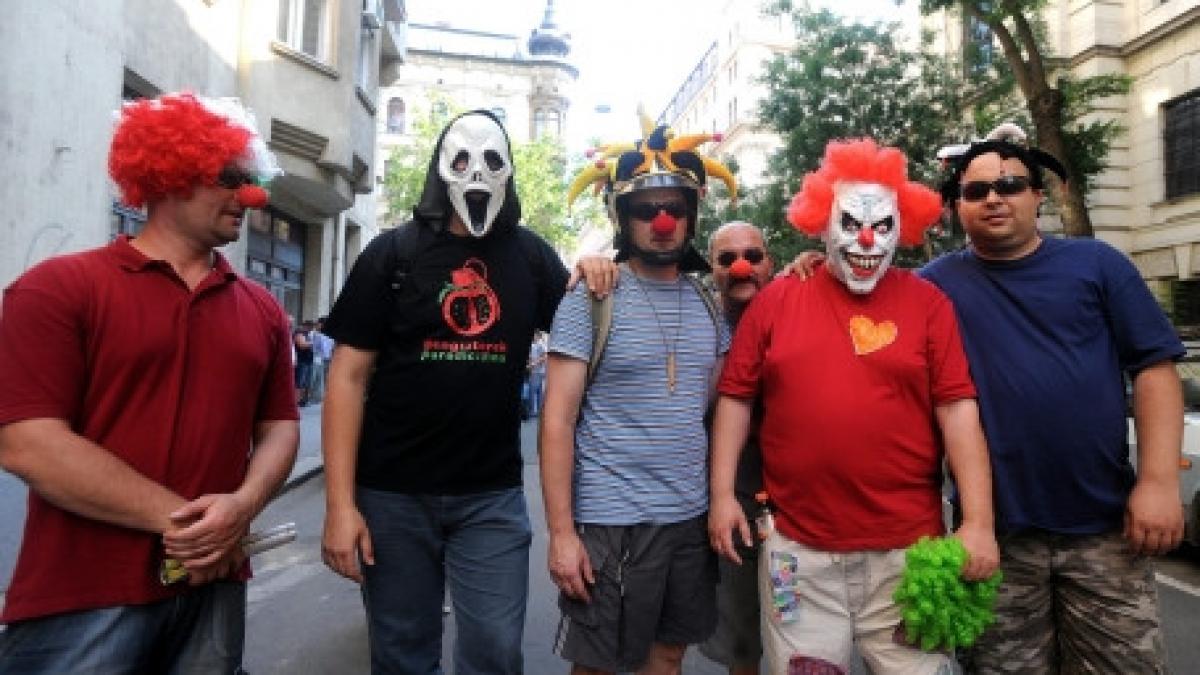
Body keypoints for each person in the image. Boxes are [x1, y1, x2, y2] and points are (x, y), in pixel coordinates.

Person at [0, 92, 299, 672]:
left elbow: (280, 425)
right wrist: (187, 523)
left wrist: (242, 505)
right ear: (170, 174)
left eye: (252, 178)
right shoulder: (57, 288)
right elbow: (27, 441)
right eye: (229, 178)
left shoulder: (263, 309)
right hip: (83, 596)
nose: (250, 196)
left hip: (212, 590)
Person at [319, 109, 615, 674]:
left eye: (490, 160)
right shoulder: (392, 254)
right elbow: (347, 379)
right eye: (460, 160)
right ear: (440, 169)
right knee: (403, 655)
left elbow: (590, 331)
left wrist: (600, 264)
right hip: (393, 496)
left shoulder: (530, 257)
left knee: (496, 652)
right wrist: (340, 506)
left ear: (507, 171)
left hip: (491, 498)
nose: (475, 173)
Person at [709, 138, 999, 674]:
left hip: (907, 555)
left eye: (883, 226)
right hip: (797, 558)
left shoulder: (929, 304)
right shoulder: (776, 300)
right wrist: (723, 495)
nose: (867, 239)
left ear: (901, 229)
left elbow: (958, 412)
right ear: (821, 222)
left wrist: (978, 522)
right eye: (851, 222)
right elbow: (736, 398)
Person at [922, 131, 1185, 673]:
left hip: (1104, 529)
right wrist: (815, 259)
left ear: (1037, 195)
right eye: (975, 192)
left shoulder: (1097, 264)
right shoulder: (933, 285)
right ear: (956, 206)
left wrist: (1158, 482)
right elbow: (861, 294)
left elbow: (1155, 369)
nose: (994, 198)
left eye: (1010, 184)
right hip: (995, 538)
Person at [540, 113, 736, 675]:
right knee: (598, 665)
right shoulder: (590, 299)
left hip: (688, 519)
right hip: (611, 522)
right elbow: (556, 423)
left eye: (676, 209)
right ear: (622, 218)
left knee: (668, 656)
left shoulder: (707, 305)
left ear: (693, 216)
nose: (664, 221)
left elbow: (722, 407)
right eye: (646, 211)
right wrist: (562, 536)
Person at [697, 222, 774, 675]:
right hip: (734, 501)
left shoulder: (800, 306)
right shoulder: (700, 322)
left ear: (771, 262)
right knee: (741, 635)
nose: (740, 266)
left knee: (806, 631)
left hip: (803, 505)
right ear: (713, 268)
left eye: (752, 255)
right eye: (726, 259)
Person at [307, 317, 333, 404]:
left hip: (327, 358)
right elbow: (312, 346)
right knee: (313, 378)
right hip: (316, 358)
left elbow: (331, 346)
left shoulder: (329, 334)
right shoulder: (313, 333)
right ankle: (309, 397)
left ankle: (321, 396)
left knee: (324, 379)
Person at [526, 331, 548, 418]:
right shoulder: (534, 344)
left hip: (538, 371)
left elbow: (545, 356)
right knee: (539, 392)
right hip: (537, 371)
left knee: (532, 390)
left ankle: (532, 411)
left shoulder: (540, 344)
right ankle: (539, 412)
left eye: (534, 335)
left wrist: (534, 364)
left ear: (537, 335)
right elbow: (532, 356)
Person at [294, 320, 315, 405]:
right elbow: (302, 345)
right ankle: (297, 401)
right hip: (302, 361)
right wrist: (312, 343)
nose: (311, 329)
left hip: (308, 361)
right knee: (300, 382)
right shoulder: (299, 333)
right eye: (310, 326)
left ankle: (304, 400)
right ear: (306, 326)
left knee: (307, 382)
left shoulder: (308, 334)